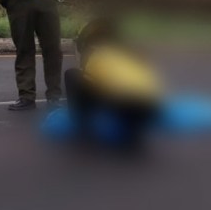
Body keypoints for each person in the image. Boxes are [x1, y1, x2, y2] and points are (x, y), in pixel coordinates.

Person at [65, 18, 163, 151]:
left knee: (73, 75)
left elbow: (89, 87)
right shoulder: (132, 54)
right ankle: (134, 133)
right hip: (152, 107)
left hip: (125, 103)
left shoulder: (97, 56)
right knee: (122, 89)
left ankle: (84, 129)